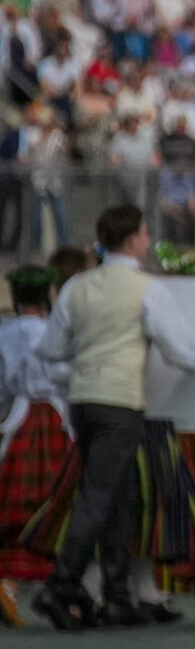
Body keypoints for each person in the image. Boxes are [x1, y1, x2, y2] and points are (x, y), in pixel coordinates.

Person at [30, 207, 195, 630]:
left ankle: (116, 594)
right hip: (122, 399)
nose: (149, 241)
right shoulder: (147, 289)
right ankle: (59, 585)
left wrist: (87, 360)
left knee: (121, 494)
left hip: (84, 398)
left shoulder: (78, 285)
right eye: (145, 234)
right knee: (100, 495)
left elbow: (50, 350)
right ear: (133, 239)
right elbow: (180, 351)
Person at [0, 263, 71, 625]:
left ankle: (8, 582)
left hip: (19, 416)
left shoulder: (6, 333)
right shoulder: (50, 332)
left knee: (14, 500)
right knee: (53, 501)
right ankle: (63, 589)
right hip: (52, 417)